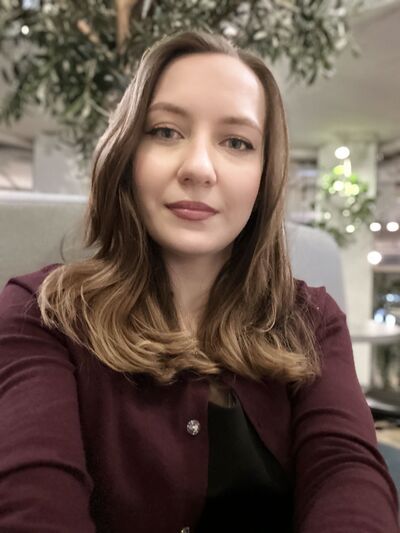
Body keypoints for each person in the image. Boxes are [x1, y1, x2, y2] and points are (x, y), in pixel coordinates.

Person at [0, 30, 398, 533]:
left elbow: (347, 475)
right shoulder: (42, 313)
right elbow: (33, 498)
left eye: (237, 142)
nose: (199, 168)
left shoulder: (312, 321)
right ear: (126, 153)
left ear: (264, 177)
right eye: (166, 131)